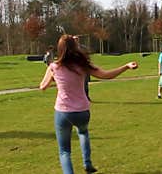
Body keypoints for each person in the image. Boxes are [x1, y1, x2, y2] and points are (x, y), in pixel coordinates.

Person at [39, 34, 138, 174]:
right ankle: (87, 163)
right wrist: (126, 66)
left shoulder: (54, 67)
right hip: (82, 111)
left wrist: (55, 78)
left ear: (59, 49)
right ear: (75, 48)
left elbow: (42, 86)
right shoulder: (83, 65)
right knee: (83, 132)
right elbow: (106, 75)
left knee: (64, 152)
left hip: (63, 112)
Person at [73, 35, 91, 101]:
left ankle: (86, 97)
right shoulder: (71, 49)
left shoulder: (83, 48)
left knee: (85, 83)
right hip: (74, 69)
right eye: (74, 40)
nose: (76, 41)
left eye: (77, 39)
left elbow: (88, 57)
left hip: (83, 68)